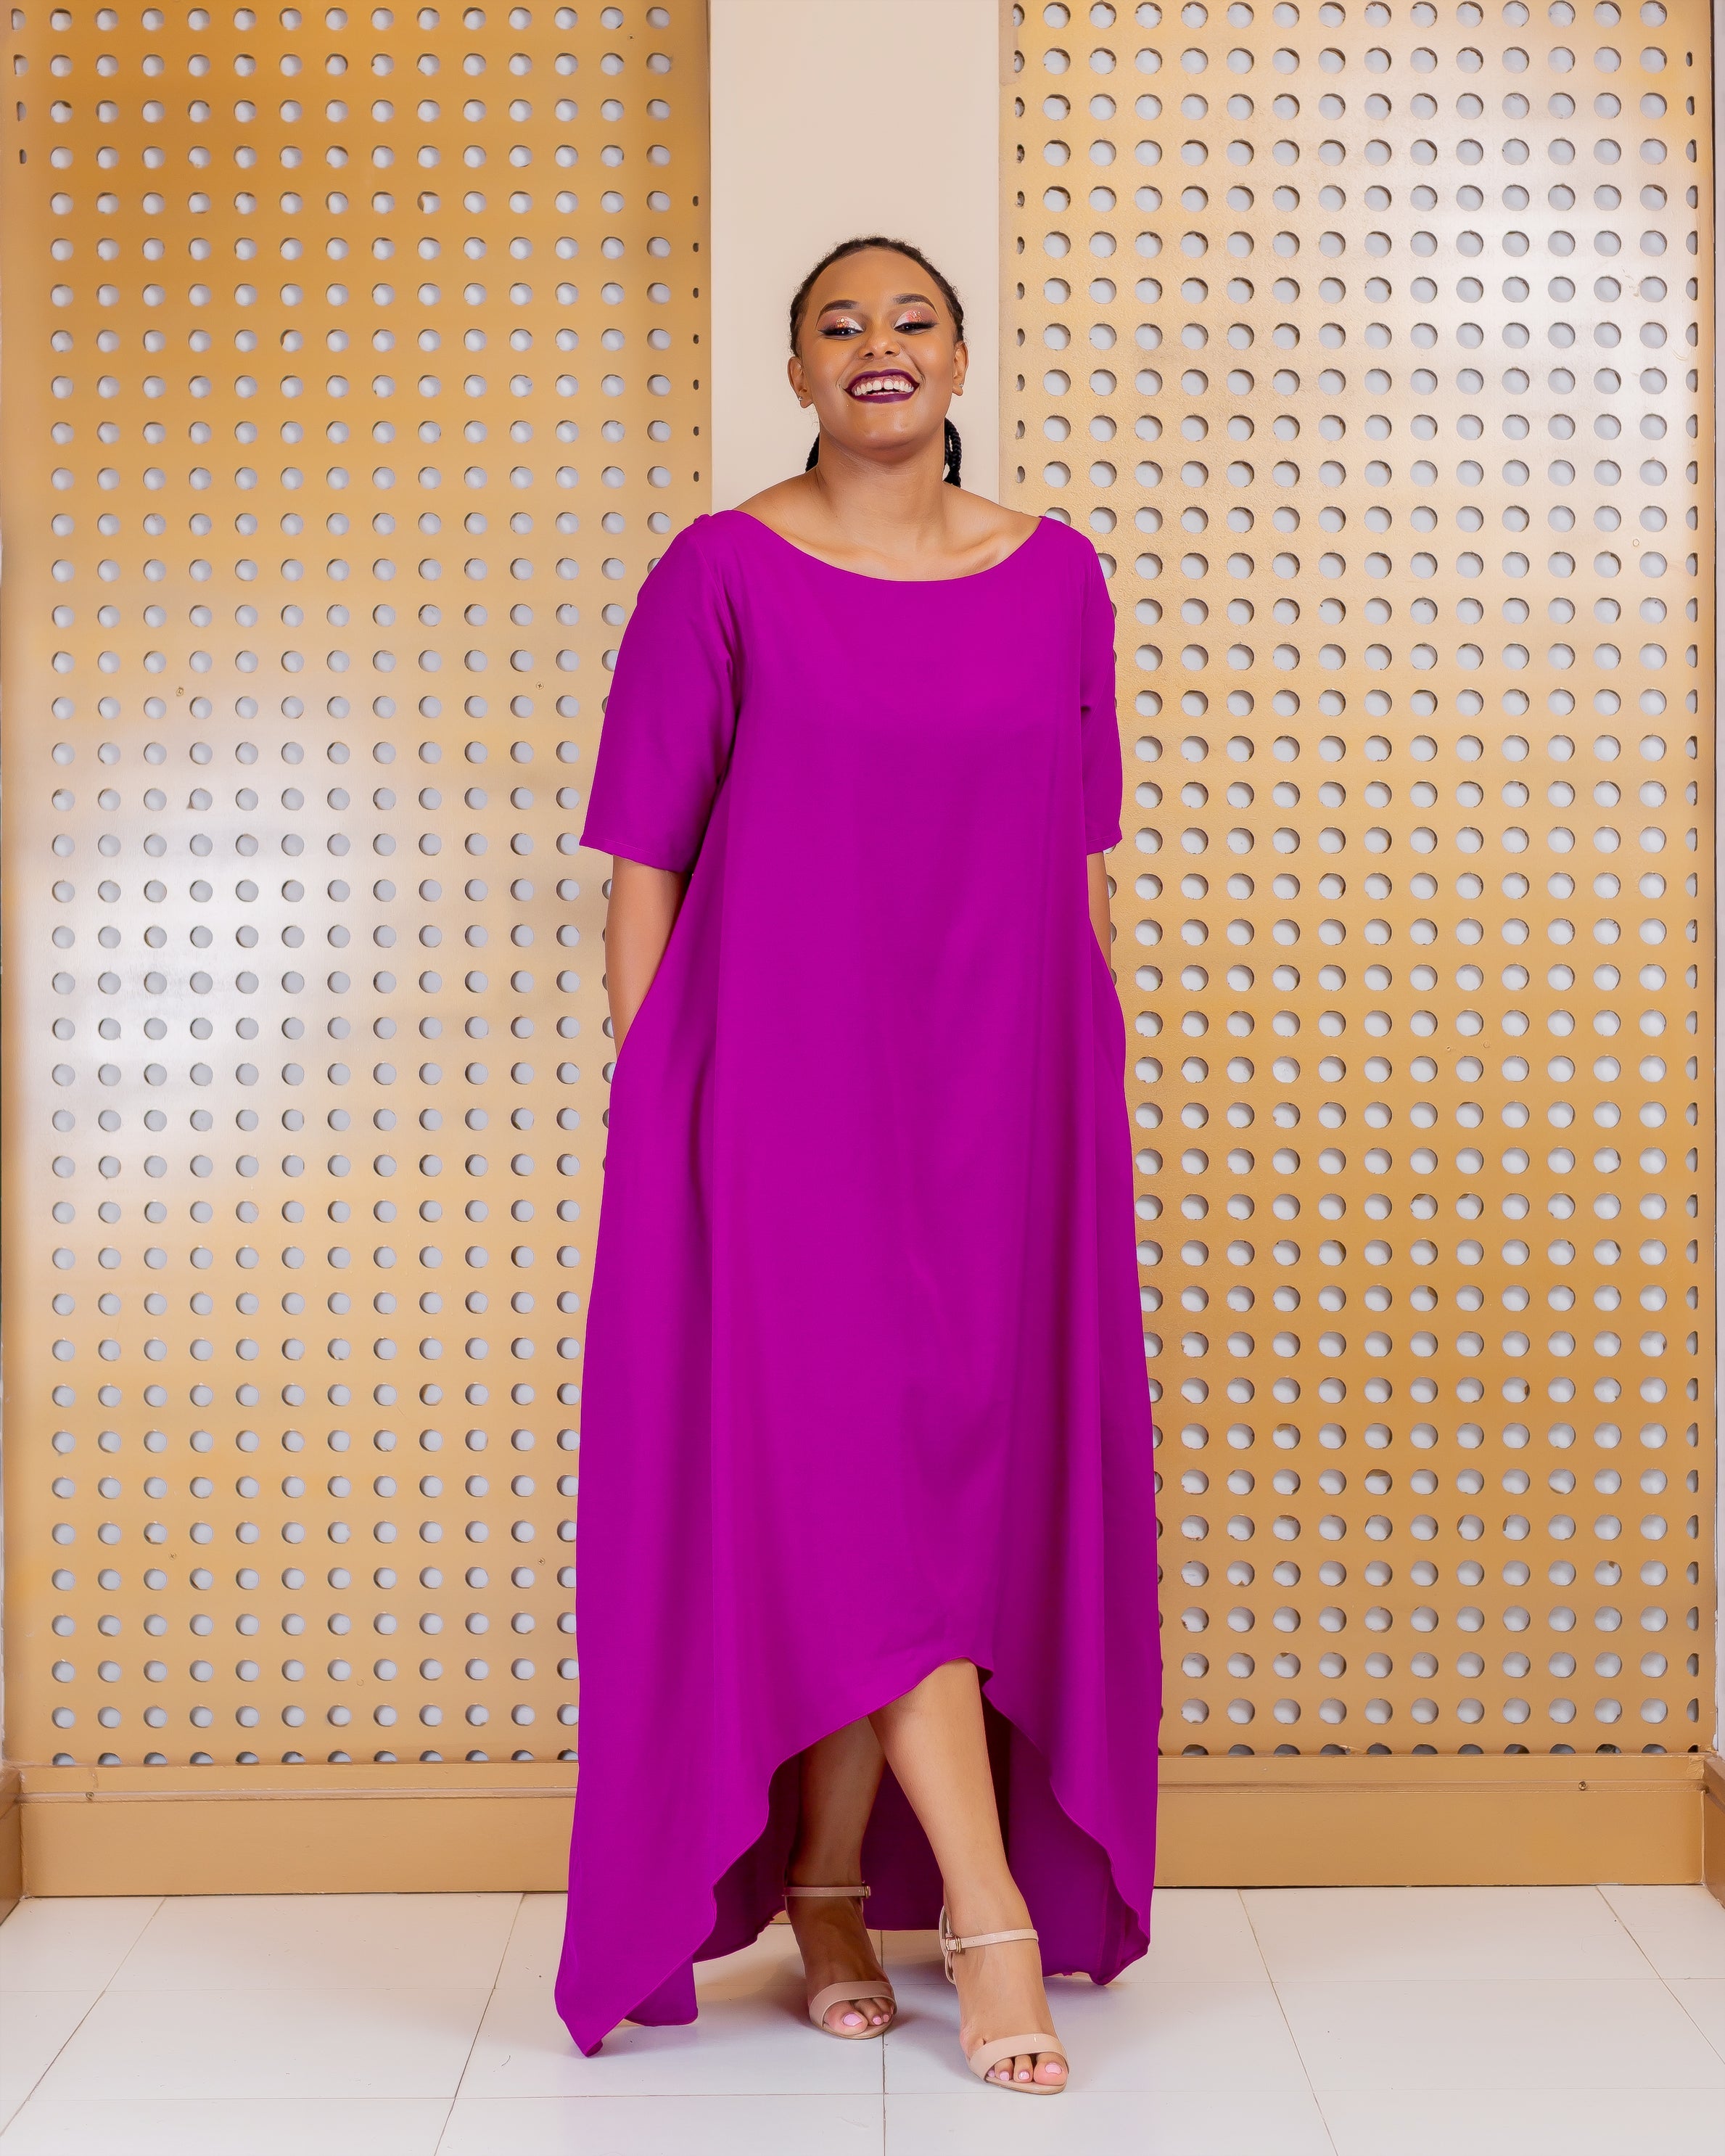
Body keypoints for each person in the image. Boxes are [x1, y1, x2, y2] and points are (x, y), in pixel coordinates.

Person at [553, 235, 1161, 2094]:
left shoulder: (1058, 577)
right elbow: (646, 862)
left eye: (911, 321)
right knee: (858, 1479)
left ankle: (827, 1886)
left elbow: (1075, 860)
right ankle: (985, 1917)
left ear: (959, 359)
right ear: (799, 372)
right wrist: (660, 1108)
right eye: (840, 325)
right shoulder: (720, 571)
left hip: (1004, 1093)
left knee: (939, 1494)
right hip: (781, 1101)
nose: (877, 347)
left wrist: (1086, 1090)